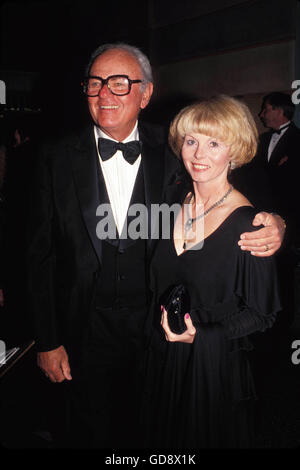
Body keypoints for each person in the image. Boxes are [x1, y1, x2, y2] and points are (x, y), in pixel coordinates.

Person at [28, 43, 284, 449]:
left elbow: (228, 178)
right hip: (81, 332)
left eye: (119, 83)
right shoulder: (52, 157)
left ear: (146, 93)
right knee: (85, 432)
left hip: (155, 330)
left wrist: (277, 222)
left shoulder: (172, 148)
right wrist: (47, 340)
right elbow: (37, 255)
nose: (104, 94)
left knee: (150, 433)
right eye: (94, 83)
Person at [141, 95, 281, 449]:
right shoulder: (172, 203)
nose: (198, 154)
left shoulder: (250, 224)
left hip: (213, 370)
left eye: (213, 143)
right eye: (191, 141)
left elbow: (261, 315)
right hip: (162, 359)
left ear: (234, 151)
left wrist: (202, 335)